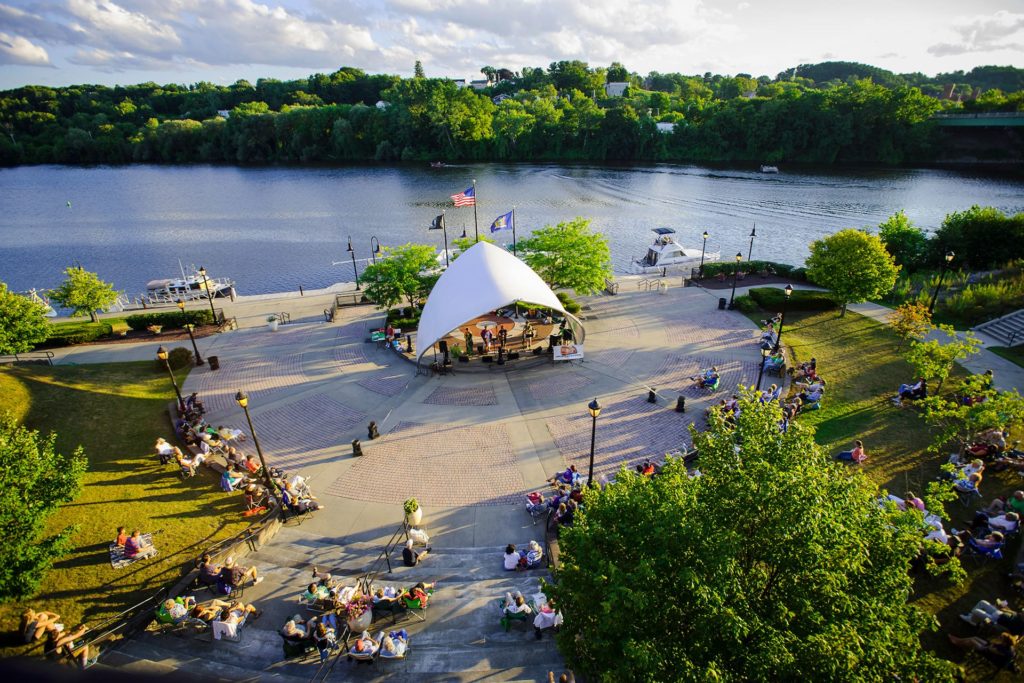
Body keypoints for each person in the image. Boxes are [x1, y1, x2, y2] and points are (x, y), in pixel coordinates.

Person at [947, 632, 1017, 670]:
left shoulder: (1004, 650)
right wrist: (993, 644)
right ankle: (958, 640)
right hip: (990, 648)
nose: (999, 638)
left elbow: (990, 649)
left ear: (1004, 642)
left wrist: (993, 644)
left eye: (1001, 638)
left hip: (990, 654)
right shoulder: (1006, 645)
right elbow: (992, 645)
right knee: (975, 637)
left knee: (972, 641)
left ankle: (957, 642)